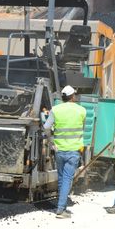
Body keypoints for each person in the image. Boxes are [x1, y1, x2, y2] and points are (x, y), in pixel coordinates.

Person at [43, 85, 86, 219]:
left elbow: (46, 127)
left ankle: (62, 206)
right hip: (74, 150)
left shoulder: (55, 110)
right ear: (73, 96)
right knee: (67, 179)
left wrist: (51, 141)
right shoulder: (82, 110)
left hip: (59, 150)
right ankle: (61, 210)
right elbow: (82, 128)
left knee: (62, 179)